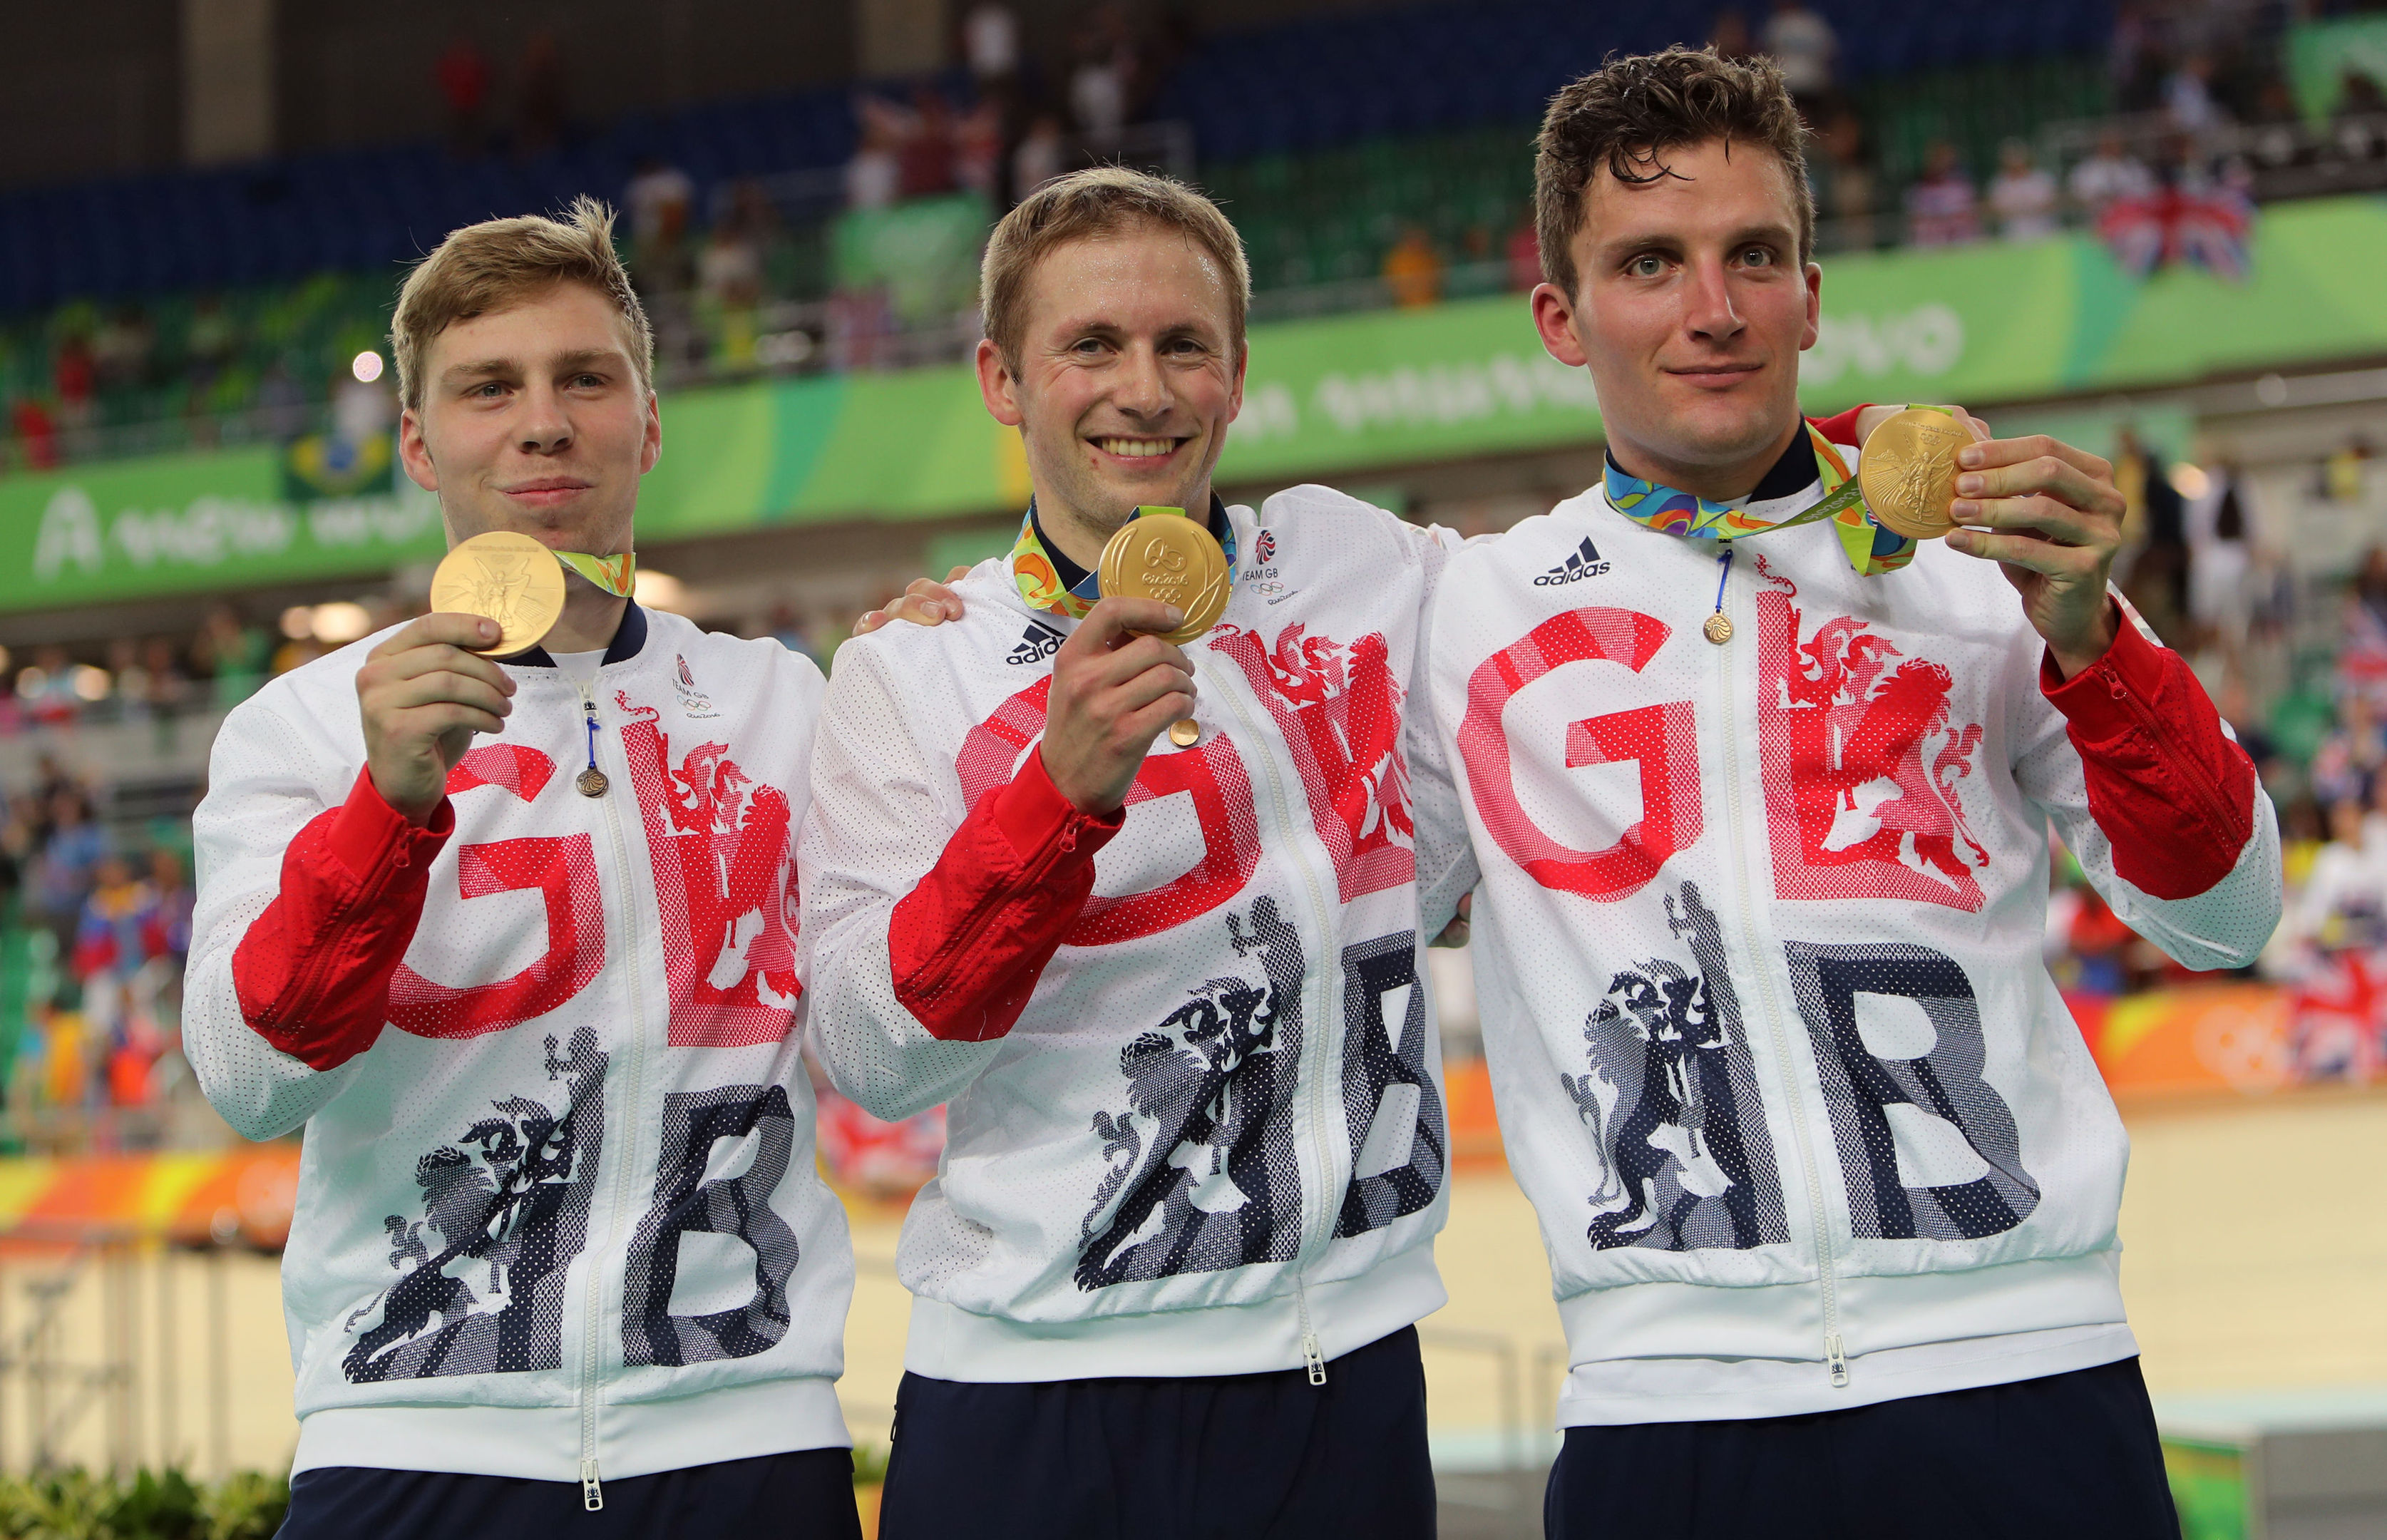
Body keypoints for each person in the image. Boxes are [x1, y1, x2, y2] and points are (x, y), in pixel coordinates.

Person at [1425, 47, 2278, 1537]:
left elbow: (2227, 914)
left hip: (2026, 1374)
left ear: (1812, 293)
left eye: (1756, 254)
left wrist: (2097, 643)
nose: (1715, 308)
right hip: (1670, 1406)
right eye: (1651, 263)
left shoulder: (1993, 569)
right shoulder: (1462, 614)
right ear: (1561, 317)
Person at [801, 166, 1479, 1540]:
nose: (1145, 389)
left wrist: (1830, 464)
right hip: (1035, 1395)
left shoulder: (1359, 566)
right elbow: (874, 1054)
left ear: (1234, 375)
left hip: (1338, 1380)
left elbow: (1603, 574)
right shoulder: (910, 675)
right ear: (1001, 378)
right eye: (1090, 346)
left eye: (1183, 346)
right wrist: (1051, 799)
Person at [181, 200, 859, 1539]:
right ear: (421, 445)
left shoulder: (786, 700)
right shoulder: (305, 728)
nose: (542, 422)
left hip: (745, 1437)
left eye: (583, 379)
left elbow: (896, 1016)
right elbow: (253, 1081)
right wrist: (382, 808)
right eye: (489, 388)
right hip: (410, 1439)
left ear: (647, 423)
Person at [1986, 138, 2060, 241]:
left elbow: (2053, 203)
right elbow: (1995, 209)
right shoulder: (1999, 184)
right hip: (2013, 235)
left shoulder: (2042, 178)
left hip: (2045, 232)